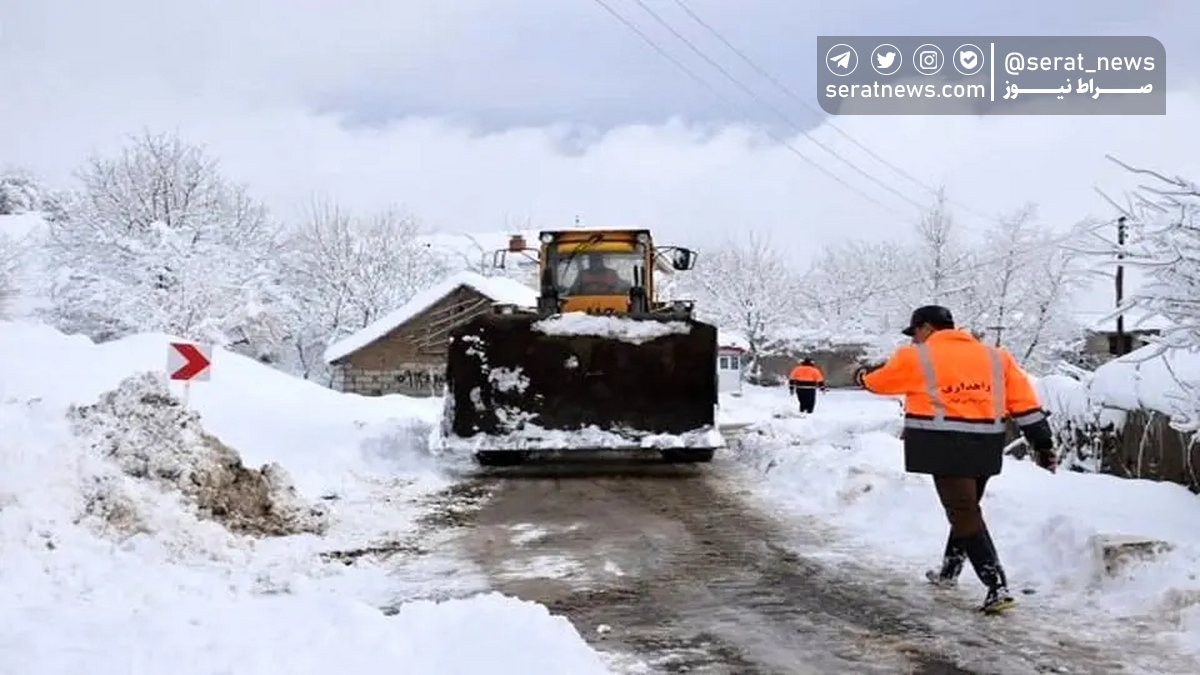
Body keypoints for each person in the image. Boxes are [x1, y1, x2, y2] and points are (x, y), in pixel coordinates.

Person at [852, 305, 1056, 614]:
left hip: (943, 443)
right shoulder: (996, 356)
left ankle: (996, 586)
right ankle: (949, 572)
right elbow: (1023, 403)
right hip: (986, 444)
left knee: (963, 511)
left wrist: (861, 377)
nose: (914, 339)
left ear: (926, 328)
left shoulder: (916, 356)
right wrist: (1043, 444)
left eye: (915, 333)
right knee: (966, 507)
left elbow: (881, 383)